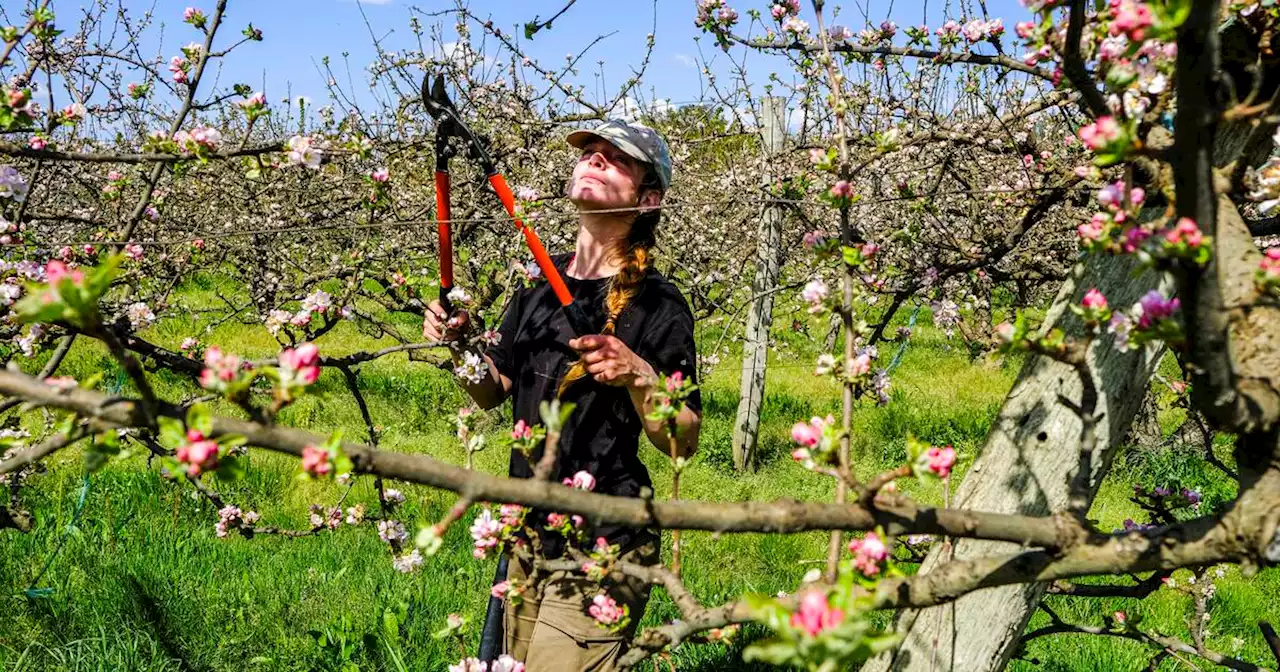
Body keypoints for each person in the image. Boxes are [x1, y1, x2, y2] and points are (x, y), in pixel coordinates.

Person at [423, 119, 702, 672]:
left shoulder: (658, 306)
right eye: (589, 152)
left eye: (615, 158)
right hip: (526, 531)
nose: (594, 159)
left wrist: (638, 374)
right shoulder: (535, 290)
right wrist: (461, 348)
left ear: (647, 200)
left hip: (606, 540)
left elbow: (683, 442)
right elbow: (491, 391)